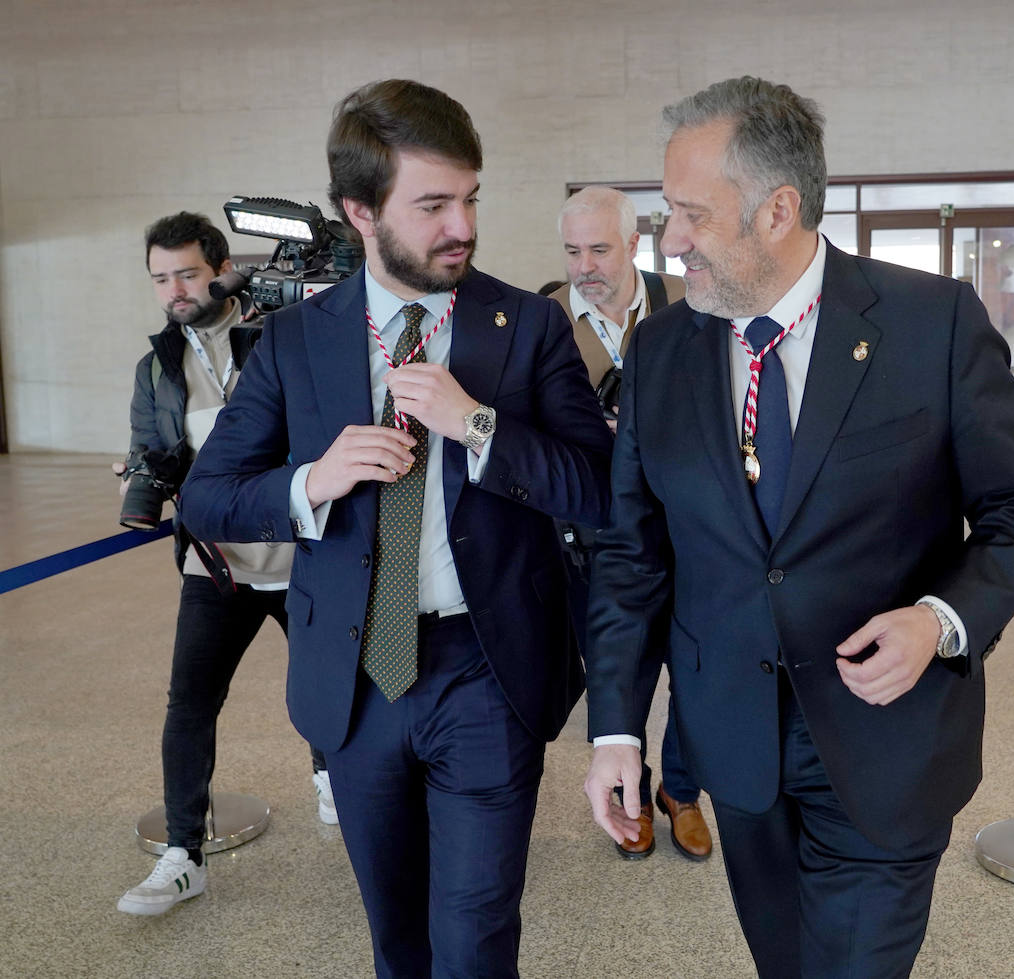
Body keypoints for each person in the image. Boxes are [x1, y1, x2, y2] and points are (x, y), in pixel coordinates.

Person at [583, 76, 1014, 978]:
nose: (670, 241)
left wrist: (939, 619)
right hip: (736, 745)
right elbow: (630, 553)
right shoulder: (663, 350)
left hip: (888, 742)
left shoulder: (932, 325)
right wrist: (615, 726)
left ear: (779, 209)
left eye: (691, 214)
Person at [179, 80, 613, 976]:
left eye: (471, 198)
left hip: (488, 673)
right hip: (353, 680)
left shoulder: (527, 325)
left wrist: (480, 426)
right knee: (396, 941)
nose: (462, 225)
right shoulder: (295, 338)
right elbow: (207, 497)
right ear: (360, 212)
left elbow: (598, 487)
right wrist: (312, 482)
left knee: (477, 938)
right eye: (432, 205)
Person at [115, 212, 335, 918]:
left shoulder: (284, 334)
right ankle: (184, 855)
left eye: (186, 273)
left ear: (222, 268)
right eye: (159, 278)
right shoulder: (158, 366)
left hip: (305, 557)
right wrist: (141, 475)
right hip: (217, 567)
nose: (174, 290)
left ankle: (337, 781)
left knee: (334, 691)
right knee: (190, 702)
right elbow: (156, 446)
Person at [549, 187, 711, 861]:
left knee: (699, 667)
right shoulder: (544, 318)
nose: (584, 265)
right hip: (595, 535)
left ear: (635, 244)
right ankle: (630, 789)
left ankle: (683, 787)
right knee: (625, 662)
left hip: (692, 527)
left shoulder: (690, 296)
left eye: (599, 248)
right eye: (572, 250)